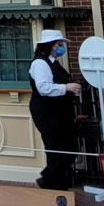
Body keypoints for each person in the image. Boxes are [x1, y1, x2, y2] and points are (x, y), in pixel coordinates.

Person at [28, 29, 81, 191]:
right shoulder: (40, 63)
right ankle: (58, 193)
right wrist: (66, 87)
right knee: (57, 150)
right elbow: (43, 88)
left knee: (69, 149)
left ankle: (48, 178)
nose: (61, 47)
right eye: (59, 44)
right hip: (48, 113)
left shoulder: (52, 62)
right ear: (50, 46)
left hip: (60, 112)